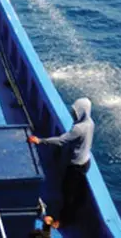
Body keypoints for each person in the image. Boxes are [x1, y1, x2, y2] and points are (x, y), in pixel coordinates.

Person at [27, 98, 94, 228]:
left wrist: (40, 141)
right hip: (86, 162)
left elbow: (61, 141)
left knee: (67, 193)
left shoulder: (78, 128)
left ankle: (62, 221)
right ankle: (75, 214)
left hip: (76, 166)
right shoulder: (90, 123)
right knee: (77, 192)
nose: (73, 114)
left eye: (75, 111)